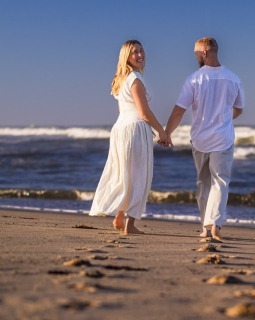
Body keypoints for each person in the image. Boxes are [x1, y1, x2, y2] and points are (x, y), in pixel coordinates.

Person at [165, 37, 245, 240]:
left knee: (203, 183)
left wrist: (167, 132)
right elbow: (239, 108)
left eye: (196, 53)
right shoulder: (234, 78)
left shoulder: (194, 79)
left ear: (204, 53)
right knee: (220, 182)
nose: (195, 57)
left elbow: (178, 111)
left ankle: (205, 227)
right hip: (223, 138)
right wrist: (225, 118)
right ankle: (215, 224)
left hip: (200, 139)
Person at [90, 40, 170, 234]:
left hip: (121, 129)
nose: (140, 54)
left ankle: (119, 218)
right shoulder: (135, 79)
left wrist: (145, 127)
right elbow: (143, 112)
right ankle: (130, 225)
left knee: (124, 174)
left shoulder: (120, 79)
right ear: (126, 57)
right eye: (135, 52)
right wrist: (161, 130)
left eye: (142, 50)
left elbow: (124, 110)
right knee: (139, 175)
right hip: (134, 128)